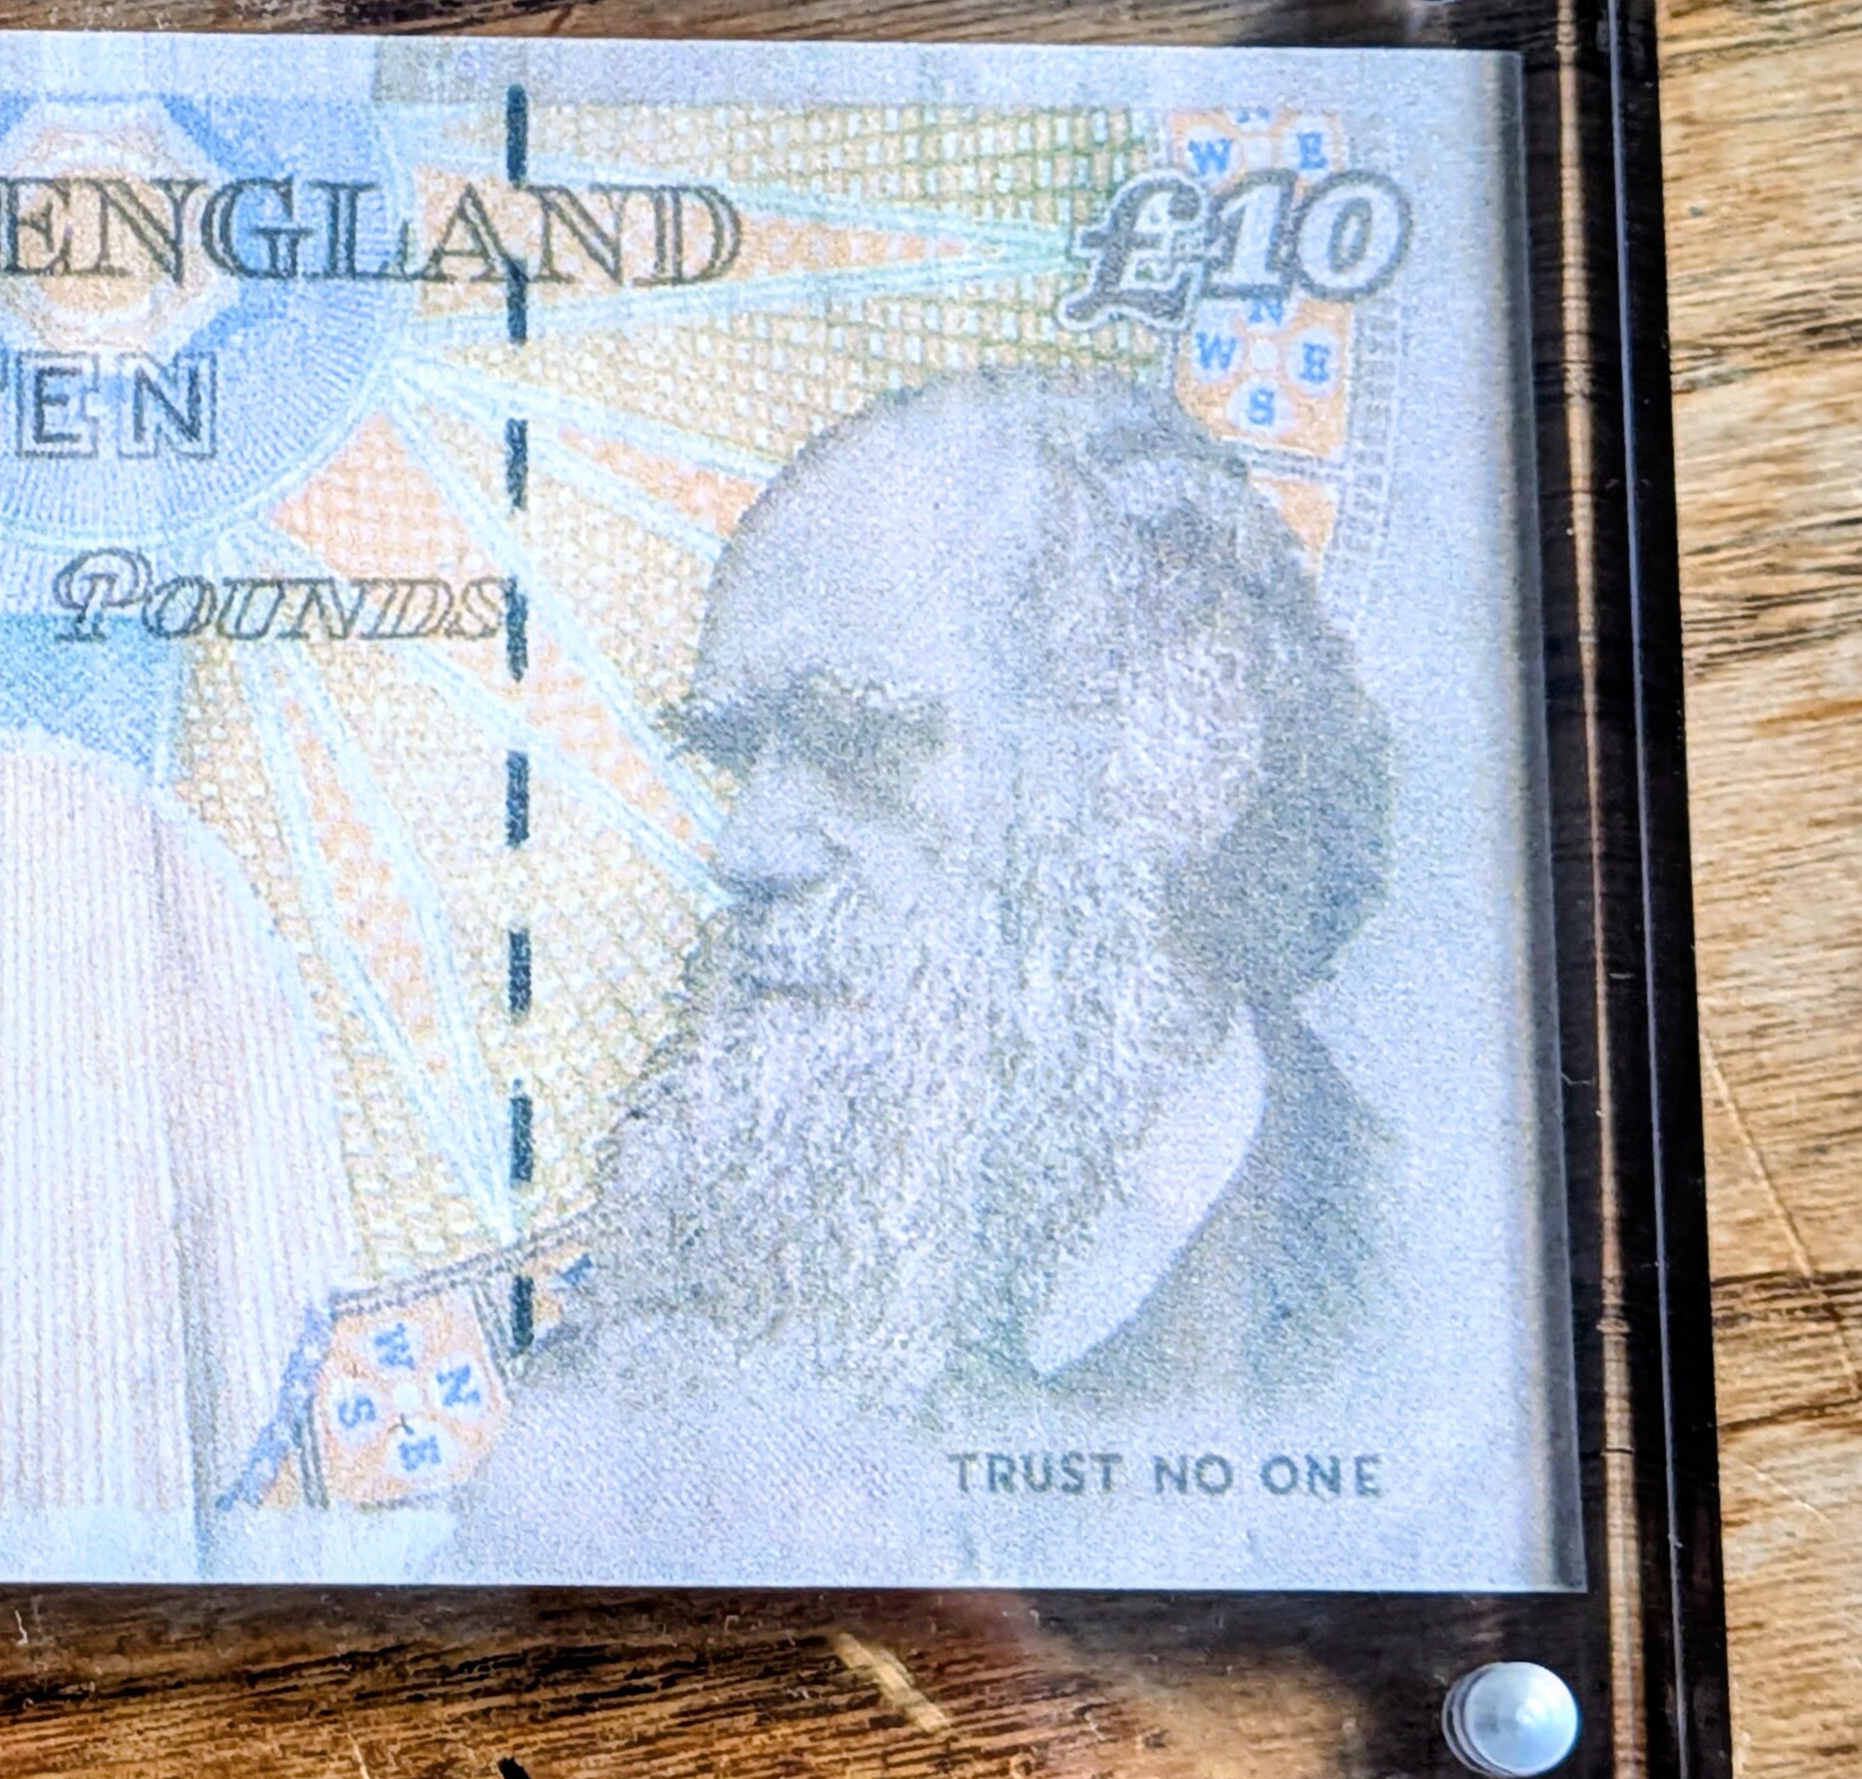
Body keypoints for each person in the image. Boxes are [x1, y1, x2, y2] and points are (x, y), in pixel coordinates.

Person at [464, 370, 1395, 1555]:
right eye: (740, 756)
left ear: (1177, 752)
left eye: (860, 742)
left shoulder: (1393, 1285)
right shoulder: (633, 1361)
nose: (742, 847)